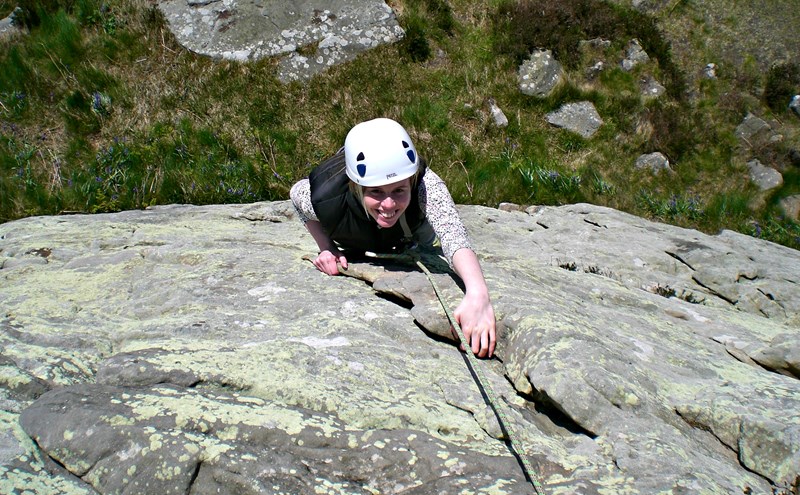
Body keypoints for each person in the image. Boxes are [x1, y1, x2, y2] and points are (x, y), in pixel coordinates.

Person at [290, 118, 496, 358]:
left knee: (426, 241)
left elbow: (453, 234)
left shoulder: (425, 185)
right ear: (357, 187)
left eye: (399, 190)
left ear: (411, 181)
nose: (388, 204)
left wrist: (477, 294)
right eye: (376, 192)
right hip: (355, 229)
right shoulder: (328, 198)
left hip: (412, 231)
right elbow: (296, 194)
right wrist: (327, 248)